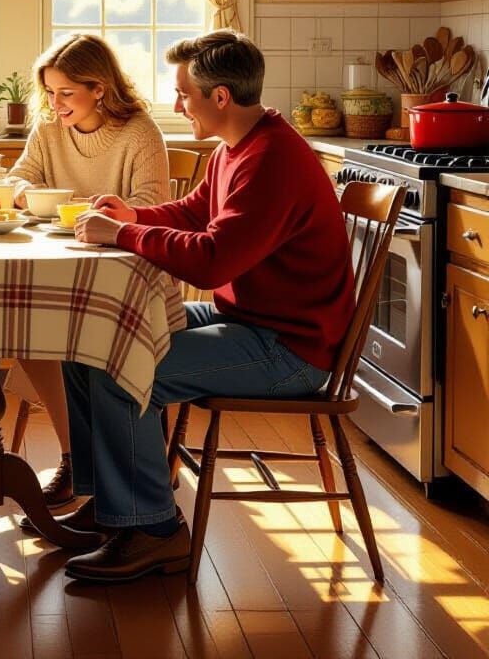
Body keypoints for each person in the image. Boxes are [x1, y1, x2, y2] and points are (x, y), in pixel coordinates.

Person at [54, 30, 353, 583]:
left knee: (122, 370)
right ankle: (114, 506)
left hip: (290, 348)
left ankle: (155, 530)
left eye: (183, 95)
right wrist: (134, 216)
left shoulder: (271, 160)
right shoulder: (239, 146)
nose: (176, 106)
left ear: (220, 97)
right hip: (249, 320)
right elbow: (196, 213)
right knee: (87, 341)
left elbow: (214, 261)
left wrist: (123, 234)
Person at [6, 34, 170, 507]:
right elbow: (18, 177)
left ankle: (123, 463)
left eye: (66, 93)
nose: (54, 103)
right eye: (49, 92)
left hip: (123, 272)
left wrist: (90, 211)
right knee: (28, 330)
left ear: (99, 88)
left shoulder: (139, 132)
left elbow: (151, 205)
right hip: (61, 260)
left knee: (72, 334)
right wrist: (25, 193)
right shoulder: (49, 129)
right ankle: (75, 455)